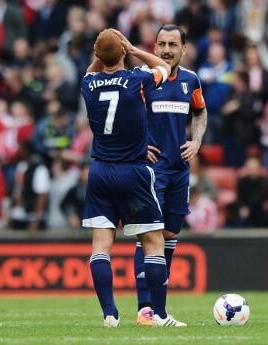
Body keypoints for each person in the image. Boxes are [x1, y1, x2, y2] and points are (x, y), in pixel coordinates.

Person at [80, 28, 186, 328]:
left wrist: (103, 52)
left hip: (100, 171)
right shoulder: (136, 80)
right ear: (123, 52)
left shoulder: (88, 82)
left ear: (97, 56)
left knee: (101, 246)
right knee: (153, 243)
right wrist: (134, 49)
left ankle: (110, 315)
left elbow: (93, 67)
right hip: (133, 171)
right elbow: (164, 67)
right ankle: (161, 316)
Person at [133, 24, 207, 326]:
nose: (166, 50)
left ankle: (158, 303)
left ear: (183, 49)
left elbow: (201, 112)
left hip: (179, 171)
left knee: (170, 236)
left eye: (172, 44)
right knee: (149, 236)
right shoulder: (144, 80)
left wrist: (197, 140)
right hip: (151, 171)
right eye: (161, 44)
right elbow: (126, 114)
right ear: (154, 47)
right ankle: (146, 309)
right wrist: (138, 147)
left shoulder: (192, 80)